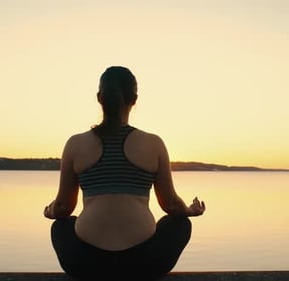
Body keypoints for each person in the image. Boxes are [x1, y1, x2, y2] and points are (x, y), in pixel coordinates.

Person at [43, 66, 206, 281]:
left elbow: (63, 208)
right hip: (144, 264)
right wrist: (190, 210)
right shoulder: (153, 143)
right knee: (180, 223)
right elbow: (171, 205)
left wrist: (50, 210)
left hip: (86, 264)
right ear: (134, 99)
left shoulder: (76, 144)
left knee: (61, 226)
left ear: (100, 98)